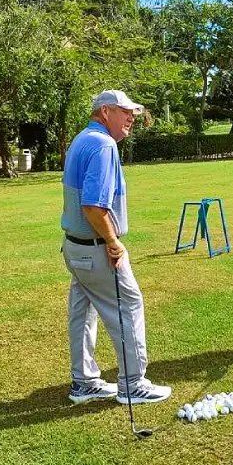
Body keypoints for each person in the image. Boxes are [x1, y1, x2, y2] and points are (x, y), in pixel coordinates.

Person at [61, 90, 171, 405]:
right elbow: (94, 206)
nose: (131, 119)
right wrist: (113, 241)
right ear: (106, 111)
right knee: (128, 306)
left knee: (82, 312)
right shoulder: (103, 144)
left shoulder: (82, 138)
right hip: (96, 249)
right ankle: (133, 384)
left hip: (75, 248)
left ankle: (84, 383)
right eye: (126, 113)